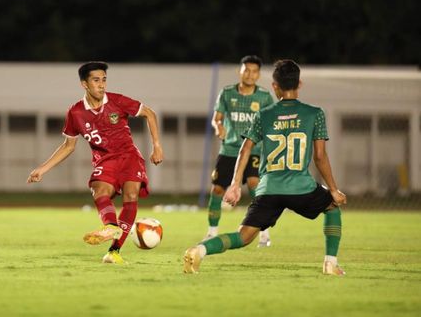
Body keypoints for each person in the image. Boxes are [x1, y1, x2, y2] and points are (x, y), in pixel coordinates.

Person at [183, 59, 348, 276]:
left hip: (269, 188)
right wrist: (333, 189)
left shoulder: (264, 114)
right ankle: (330, 263)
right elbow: (320, 156)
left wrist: (234, 184)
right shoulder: (314, 113)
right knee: (332, 207)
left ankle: (200, 249)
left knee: (242, 237)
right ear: (300, 84)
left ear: (274, 86)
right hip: (301, 188)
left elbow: (244, 150)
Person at [27, 61, 163, 264]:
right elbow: (68, 146)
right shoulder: (75, 112)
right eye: (96, 80)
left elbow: (149, 114)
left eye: (104, 80)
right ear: (84, 84)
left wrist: (157, 146)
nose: (101, 85)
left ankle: (114, 251)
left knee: (131, 194)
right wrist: (42, 169)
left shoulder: (117, 101)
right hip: (105, 159)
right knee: (99, 190)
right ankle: (110, 226)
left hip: (129, 157)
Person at [206, 55, 274, 246]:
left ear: (258, 75)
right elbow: (216, 118)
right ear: (240, 71)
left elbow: (271, 123)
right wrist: (218, 126)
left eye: (254, 71)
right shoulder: (227, 93)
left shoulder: (264, 97)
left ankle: (264, 233)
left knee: (254, 184)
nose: (250, 74)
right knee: (217, 189)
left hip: (253, 149)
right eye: (247, 70)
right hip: (229, 149)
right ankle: (211, 232)